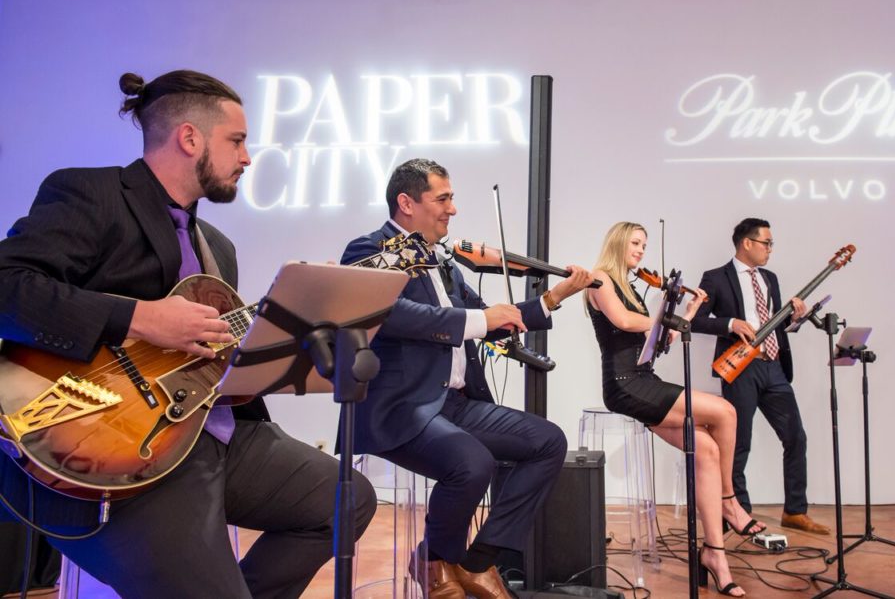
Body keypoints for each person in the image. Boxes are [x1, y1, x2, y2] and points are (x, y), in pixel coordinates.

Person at [0, 70, 377, 598]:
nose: (247, 158)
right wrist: (139, 317)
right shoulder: (92, 193)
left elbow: (206, 361)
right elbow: (9, 286)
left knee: (346, 499)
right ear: (189, 138)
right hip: (117, 451)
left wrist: (273, 342)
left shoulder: (217, 247)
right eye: (237, 141)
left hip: (216, 435)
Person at [341, 158, 591, 599]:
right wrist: (478, 320)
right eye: (443, 199)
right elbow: (393, 315)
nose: (452, 209)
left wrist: (554, 297)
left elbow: (491, 319)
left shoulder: (444, 262)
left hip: (454, 404)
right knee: (473, 463)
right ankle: (436, 562)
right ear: (406, 203)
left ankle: (473, 561)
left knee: (548, 442)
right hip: (400, 408)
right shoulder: (367, 250)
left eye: (451, 198)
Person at [586, 221, 759, 597]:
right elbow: (624, 321)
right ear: (618, 242)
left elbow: (663, 339)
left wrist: (689, 310)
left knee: (707, 450)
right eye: (635, 243)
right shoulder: (600, 280)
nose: (640, 250)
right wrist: (665, 319)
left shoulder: (631, 287)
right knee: (726, 412)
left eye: (644, 245)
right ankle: (730, 501)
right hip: (625, 385)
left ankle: (715, 555)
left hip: (645, 380)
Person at [691, 218, 830, 536]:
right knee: (738, 443)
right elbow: (695, 320)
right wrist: (730, 324)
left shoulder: (770, 278)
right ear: (747, 243)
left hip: (774, 366)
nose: (770, 249)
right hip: (741, 367)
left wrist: (794, 319)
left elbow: (776, 325)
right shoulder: (716, 277)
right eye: (766, 243)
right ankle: (738, 511)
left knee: (795, 437)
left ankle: (795, 511)